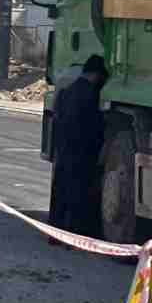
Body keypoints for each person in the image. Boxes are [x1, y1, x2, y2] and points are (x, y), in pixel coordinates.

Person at [48, 56, 106, 239]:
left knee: (60, 191)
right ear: (97, 75)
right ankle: (73, 235)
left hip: (63, 148)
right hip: (82, 151)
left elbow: (56, 117)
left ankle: (54, 233)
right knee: (78, 193)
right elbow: (95, 126)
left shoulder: (67, 91)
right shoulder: (91, 94)